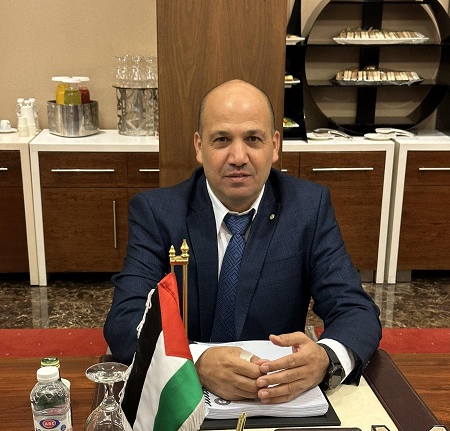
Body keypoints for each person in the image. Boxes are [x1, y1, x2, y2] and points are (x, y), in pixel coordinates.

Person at [104, 79, 381, 404]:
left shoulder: (309, 208)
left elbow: (355, 311)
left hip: (277, 395)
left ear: (274, 146)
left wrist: (325, 359)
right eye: (222, 139)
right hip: (184, 401)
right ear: (199, 146)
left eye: (253, 139)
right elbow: (125, 321)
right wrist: (195, 362)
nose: (238, 156)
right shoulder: (157, 213)